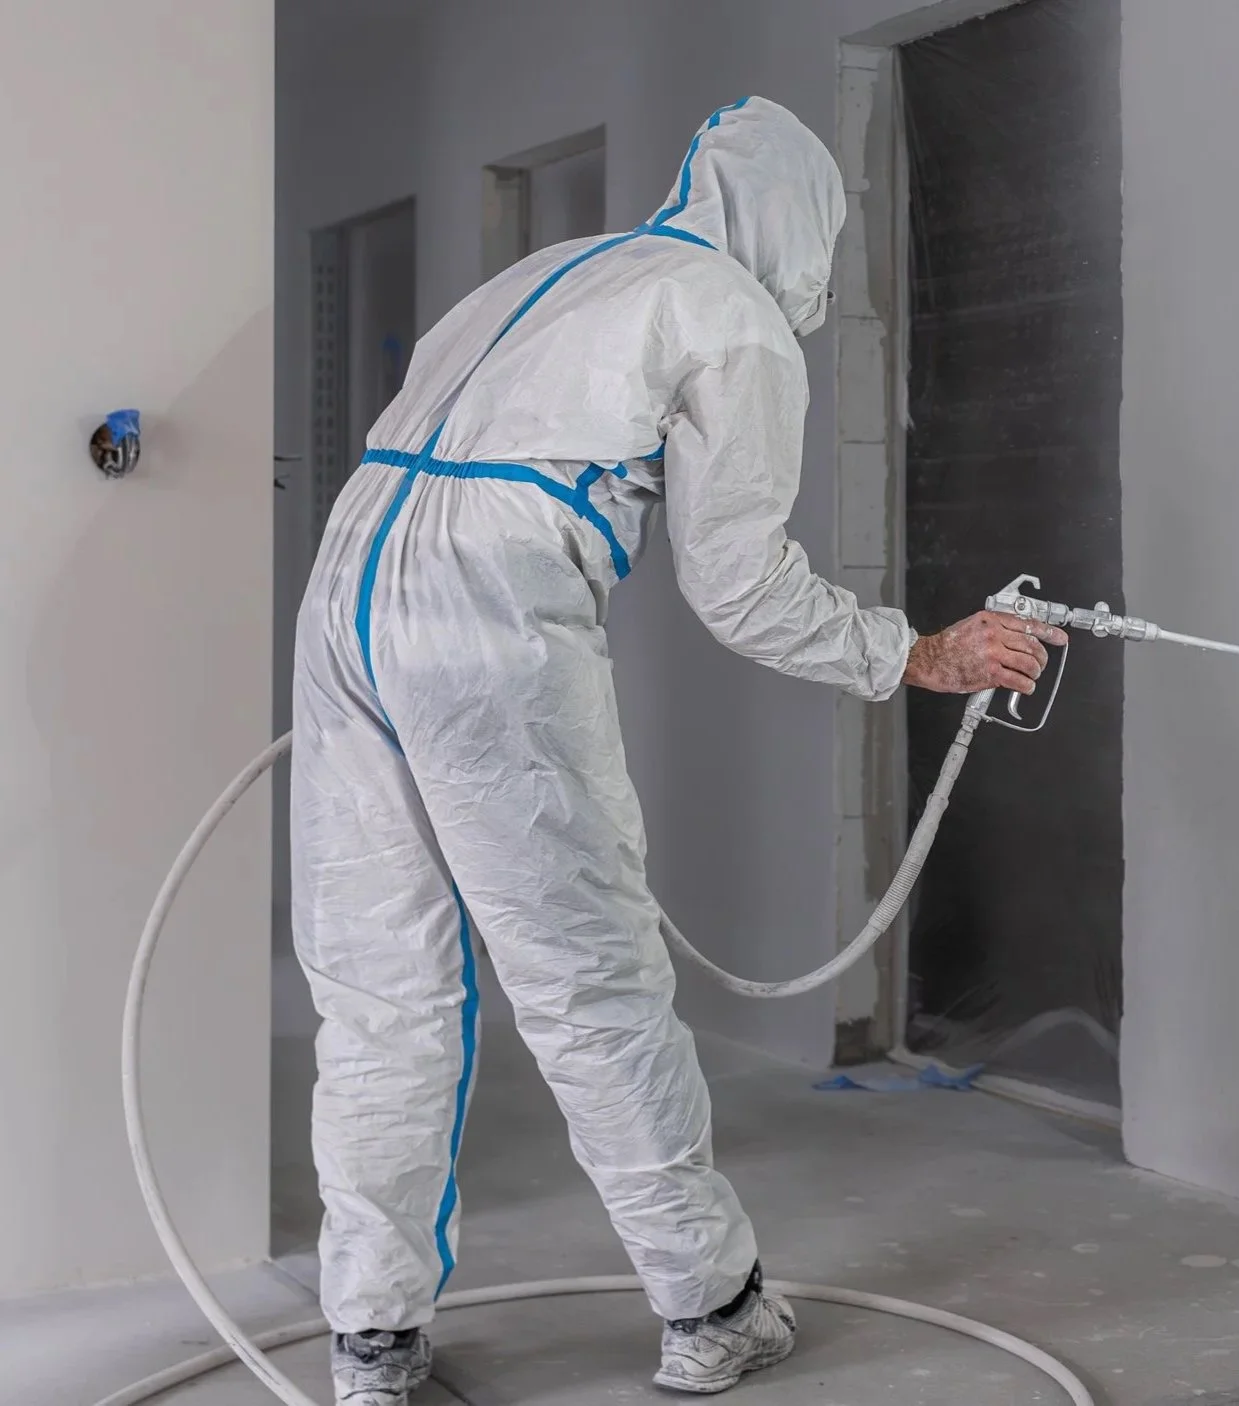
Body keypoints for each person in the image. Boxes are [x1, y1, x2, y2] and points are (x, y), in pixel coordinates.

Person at [292, 96, 1065, 1404]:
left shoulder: (546, 274)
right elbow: (740, 585)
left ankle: (372, 1343)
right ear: (802, 223)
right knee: (588, 984)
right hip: (487, 616)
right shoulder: (731, 313)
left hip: (345, 596)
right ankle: (710, 1306)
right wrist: (917, 652)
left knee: (380, 990)